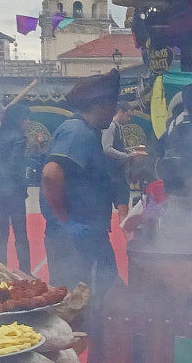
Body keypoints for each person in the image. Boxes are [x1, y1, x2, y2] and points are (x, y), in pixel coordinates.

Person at [41, 70, 129, 296]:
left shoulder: (88, 132)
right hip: (72, 238)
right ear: (98, 105)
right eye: (111, 105)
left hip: (89, 233)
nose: (113, 112)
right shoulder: (77, 131)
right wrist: (66, 220)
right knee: (72, 299)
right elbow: (51, 174)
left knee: (102, 291)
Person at [0, 110, 35, 272]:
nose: (28, 122)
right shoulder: (20, 138)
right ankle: (25, 271)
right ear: (20, 120)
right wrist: (24, 182)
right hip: (14, 192)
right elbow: (15, 164)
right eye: (27, 119)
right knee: (20, 235)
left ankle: (0, 270)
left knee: (1, 235)